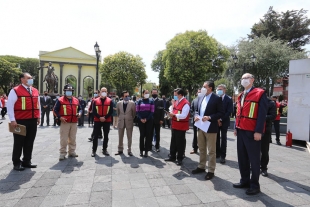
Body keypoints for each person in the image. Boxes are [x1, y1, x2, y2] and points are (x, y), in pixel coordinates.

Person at [233, 73, 268, 195]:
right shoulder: (241, 95)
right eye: (242, 78)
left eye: (246, 78)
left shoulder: (260, 93)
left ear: (252, 80)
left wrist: (259, 131)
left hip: (252, 131)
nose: (244, 80)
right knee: (242, 157)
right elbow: (238, 112)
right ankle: (245, 180)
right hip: (241, 130)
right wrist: (236, 127)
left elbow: (262, 115)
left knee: (254, 159)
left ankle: (254, 185)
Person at [7, 73, 40, 171]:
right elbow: (10, 106)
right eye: (28, 78)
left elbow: (38, 105)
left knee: (30, 141)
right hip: (20, 121)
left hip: (32, 120)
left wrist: (38, 117)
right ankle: (16, 162)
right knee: (18, 142)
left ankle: (27, 161)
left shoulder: (35, 90)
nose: (31, 79)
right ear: (22, 79)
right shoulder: (15, 90)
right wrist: (12, 120)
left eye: (31, 78)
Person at [192, 81, 223, 180]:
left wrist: (209, 117)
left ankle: (211, 170)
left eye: (204, 86)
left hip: (211, 128)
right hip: (200, 126)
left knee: (211, 151)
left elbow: (220, 113)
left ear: (210, 88)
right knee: (201, 148)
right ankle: (201, 166)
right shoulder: (201, 97)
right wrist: (196, 116)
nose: (202, 88)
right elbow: (196, 110)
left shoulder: (217, 99)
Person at [53, 84, 82, 161]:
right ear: (64, 91)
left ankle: (72, 151)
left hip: (74, 122)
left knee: (73, 138)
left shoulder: (76, 100)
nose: (69, 92)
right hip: (65, 122)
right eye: (67, 91)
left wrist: (79, 113)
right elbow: (55, 110)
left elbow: (80, 109)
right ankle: (62, 153)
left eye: (70, 91)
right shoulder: (60, 100)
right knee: (64, 138)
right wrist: (60, 117)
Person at [164, 88, 190, 166]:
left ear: (180, 95)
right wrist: (170, 113)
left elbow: (184, 115)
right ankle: (172, 156)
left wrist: (174, 115)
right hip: (174, 124)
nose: (174, 96)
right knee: (173, 141)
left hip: (181, 125)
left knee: (180, 143)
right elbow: (173, 110)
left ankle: (180, 158)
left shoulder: (186, 103)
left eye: (176, 95)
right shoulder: (176, 102)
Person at [91, 87, 113, 157]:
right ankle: (94, 150)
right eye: (102, 91)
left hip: (107, 120)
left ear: (107, 92)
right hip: (97, 120)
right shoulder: (95, 100)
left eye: (105, 91)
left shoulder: (110, 101)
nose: (103, 92)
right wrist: (99, 117)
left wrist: (104, 117)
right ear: (100, 92)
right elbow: (94, 111)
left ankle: (104, 149)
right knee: (95, 136)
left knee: (106, 136)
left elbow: (111, 111)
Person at [216, 84, 233, 164]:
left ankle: (223, 156)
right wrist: (217, 119)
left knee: (223, 139)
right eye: (218, 89)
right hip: (216, 121)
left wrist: (221, 119)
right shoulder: (215, 98)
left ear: (224, 90)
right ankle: (217, 153)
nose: (219, 90)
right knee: (216, 138)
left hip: (224, 121)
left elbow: (229, 111)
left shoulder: (229, 99)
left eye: (221, 89)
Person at [115, 91, 136, 156]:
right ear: (122, 97)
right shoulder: (119, 103)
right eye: (126, 96)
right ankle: (120, 150)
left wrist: (130, 118)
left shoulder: (132, 103)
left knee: (129, 137)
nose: (127, 97)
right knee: (120, 136)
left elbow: (134, 113)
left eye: (128, 96)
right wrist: (121, 118)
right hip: (121, 121)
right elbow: (118, 113)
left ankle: (129, 150)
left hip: (129, 121)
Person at [261, 91, 276, 177]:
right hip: (255, 129)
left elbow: (273, 116)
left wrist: (262, 117)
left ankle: (264, 168)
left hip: (266, 129)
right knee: (255, 150)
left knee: (264, 150)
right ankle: (256, 166)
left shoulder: (271, 103)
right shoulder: (256, 102)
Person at [136, 89, 154, 157]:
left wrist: (147, 119)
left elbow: (152, 111)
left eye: (148, 93)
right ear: (143, 94)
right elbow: (137, 111)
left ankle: (146, 151)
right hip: (141, 121)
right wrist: (141, 118)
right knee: (142, 135)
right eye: (145, 93)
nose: (147, 94)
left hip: (149, 120)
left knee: (148, 135)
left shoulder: (151, 101)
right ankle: (141, 150)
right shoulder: (139, 101)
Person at [190, 89, 201, 154]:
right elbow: (191, 110)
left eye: (201, 92)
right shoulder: (194, 100)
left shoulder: (205, 100)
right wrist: (195, 116)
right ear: (196, 93)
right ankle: (194, 148)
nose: (199, 93)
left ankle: (203, 149)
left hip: (203, 121)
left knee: (203, 135)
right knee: (195, 135)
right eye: (198, 92)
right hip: (195, 120)